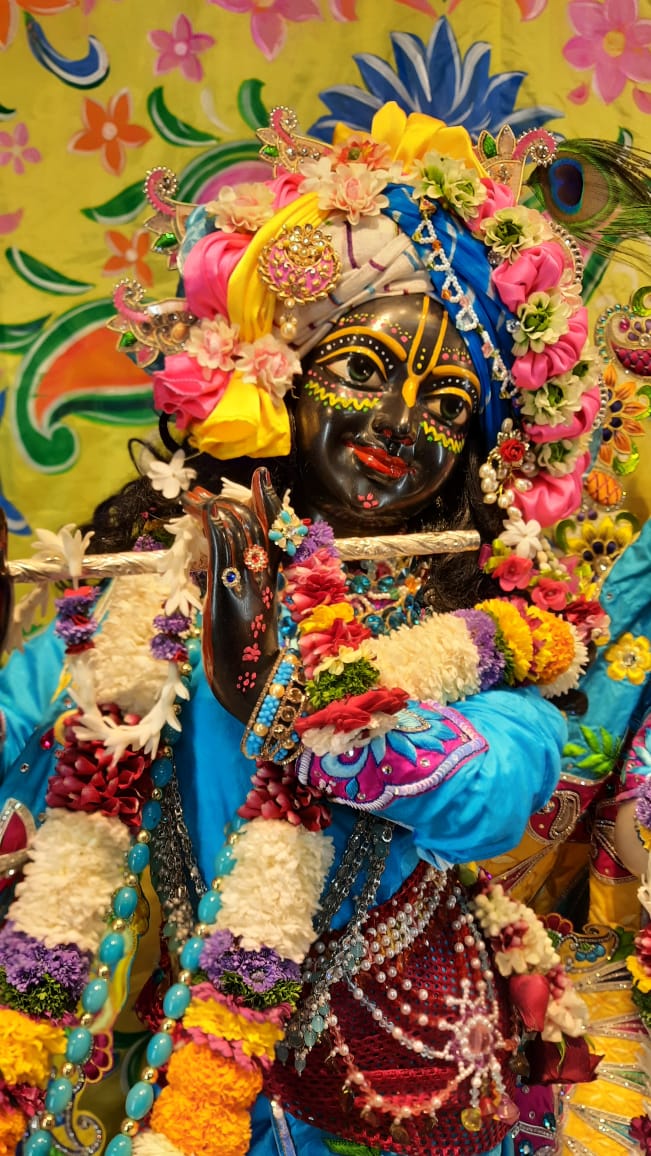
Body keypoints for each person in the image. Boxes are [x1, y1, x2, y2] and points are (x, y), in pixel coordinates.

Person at [0, 102, 648, 1156]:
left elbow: (493, 796)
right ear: (279, 379)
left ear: (474, 451)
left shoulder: (489, 620)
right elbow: (24, 724)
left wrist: (301, 696)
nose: (398, 423)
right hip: (188, 1059)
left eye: (447, 405)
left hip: (396, 1074)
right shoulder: (161, 585)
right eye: (361, 371)